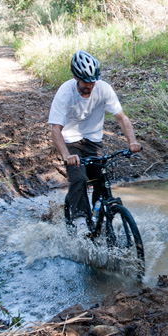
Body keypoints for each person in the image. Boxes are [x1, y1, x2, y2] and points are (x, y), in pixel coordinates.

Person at [48, 50, 141, 234]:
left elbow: (121, 118)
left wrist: (132, 141)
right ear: (76, 77)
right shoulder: (65, 92)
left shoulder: (103, 89)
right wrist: (67, 155)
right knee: (80, 178)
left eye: (93, 81)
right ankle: (80, 219)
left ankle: (103, 217)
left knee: (101, 178)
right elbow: (55, 129)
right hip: (71, 142)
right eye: (86, 82)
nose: (90, 86)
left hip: (93, 141)